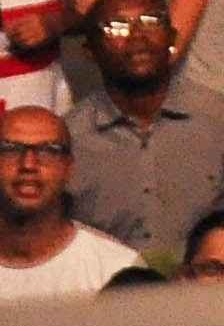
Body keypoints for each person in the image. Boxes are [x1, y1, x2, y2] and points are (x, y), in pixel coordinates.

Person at [57, 0, 224, 269]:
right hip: (106, 303)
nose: (137, 36)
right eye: (117, 27)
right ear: (89, 50)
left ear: (172, 38)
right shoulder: (67, 140)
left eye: (151, 21)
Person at [0, 107, 140, 299]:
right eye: (11, 149)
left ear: (68, 167)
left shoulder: (116, 270)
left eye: (48, 150)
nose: (28, 164)